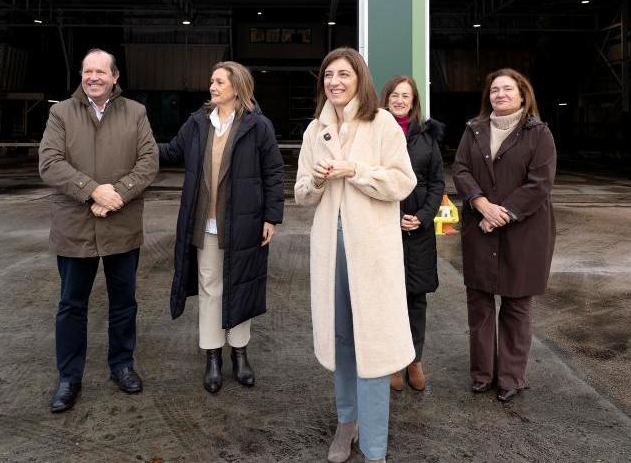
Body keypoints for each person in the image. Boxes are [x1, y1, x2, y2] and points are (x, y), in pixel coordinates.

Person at [295, 47, 416, 463]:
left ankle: (375, 445)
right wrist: (314, 180)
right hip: (332, 253)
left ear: (359, 78)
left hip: (373, 256)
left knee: (374, 345)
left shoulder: (382, 125)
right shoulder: (315, 131)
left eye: (343, 74)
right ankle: (347, 423)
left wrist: (355, 171)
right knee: (342, 340)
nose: (335, 82)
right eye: (328, 75)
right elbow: (301, 196)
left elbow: (402, 182)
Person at [38, 48, 159, 413]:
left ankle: (121, 365)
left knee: (124, 303)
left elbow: (149, 161)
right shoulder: (60, 112)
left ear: (115, 77)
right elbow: (49, 162)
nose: (93, 77)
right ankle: (68, 377)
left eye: (100, 72)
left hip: (120, 224)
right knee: (71, 305)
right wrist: (92, 189)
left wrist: (115, 194)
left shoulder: (135, 112)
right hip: (74, 226)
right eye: (87, 71)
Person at [156, 61, 284, 393]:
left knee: (240, 286)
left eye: (219, 83)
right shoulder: (198, 123)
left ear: (238, 88)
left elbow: (273, 173)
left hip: (244, 224)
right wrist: (137, 146)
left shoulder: (258, 127)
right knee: (211, 288)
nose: (212, 87)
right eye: (211, 82)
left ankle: (240, 354)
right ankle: (213, 356)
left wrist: (272, 217)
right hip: (206, 224)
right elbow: (170, 152)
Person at [452, 68, 556, 404]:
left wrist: (501, 215)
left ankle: (512, 377)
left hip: (523, 231)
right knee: (479, 305)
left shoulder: (538, 133)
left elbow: (539, 184)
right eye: (495, 89)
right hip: (480, 226)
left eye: (508, 89)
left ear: (523, 95)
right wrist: (480, 203)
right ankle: (482, 374)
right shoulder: (474, 130)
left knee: (516, 306)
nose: (500, 94)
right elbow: (461, 169)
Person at [379, 75, 445, 392]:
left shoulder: (426, 137)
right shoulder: (375, 132)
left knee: (415, 299)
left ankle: (414, 359)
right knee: (388, 298)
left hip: (418, 231)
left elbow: (437, 184)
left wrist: (422, 217)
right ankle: (392, 362)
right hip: (384, 228)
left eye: (406, 95)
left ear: (414, 100)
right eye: (395, 94)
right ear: (387, 98)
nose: (400, 100)